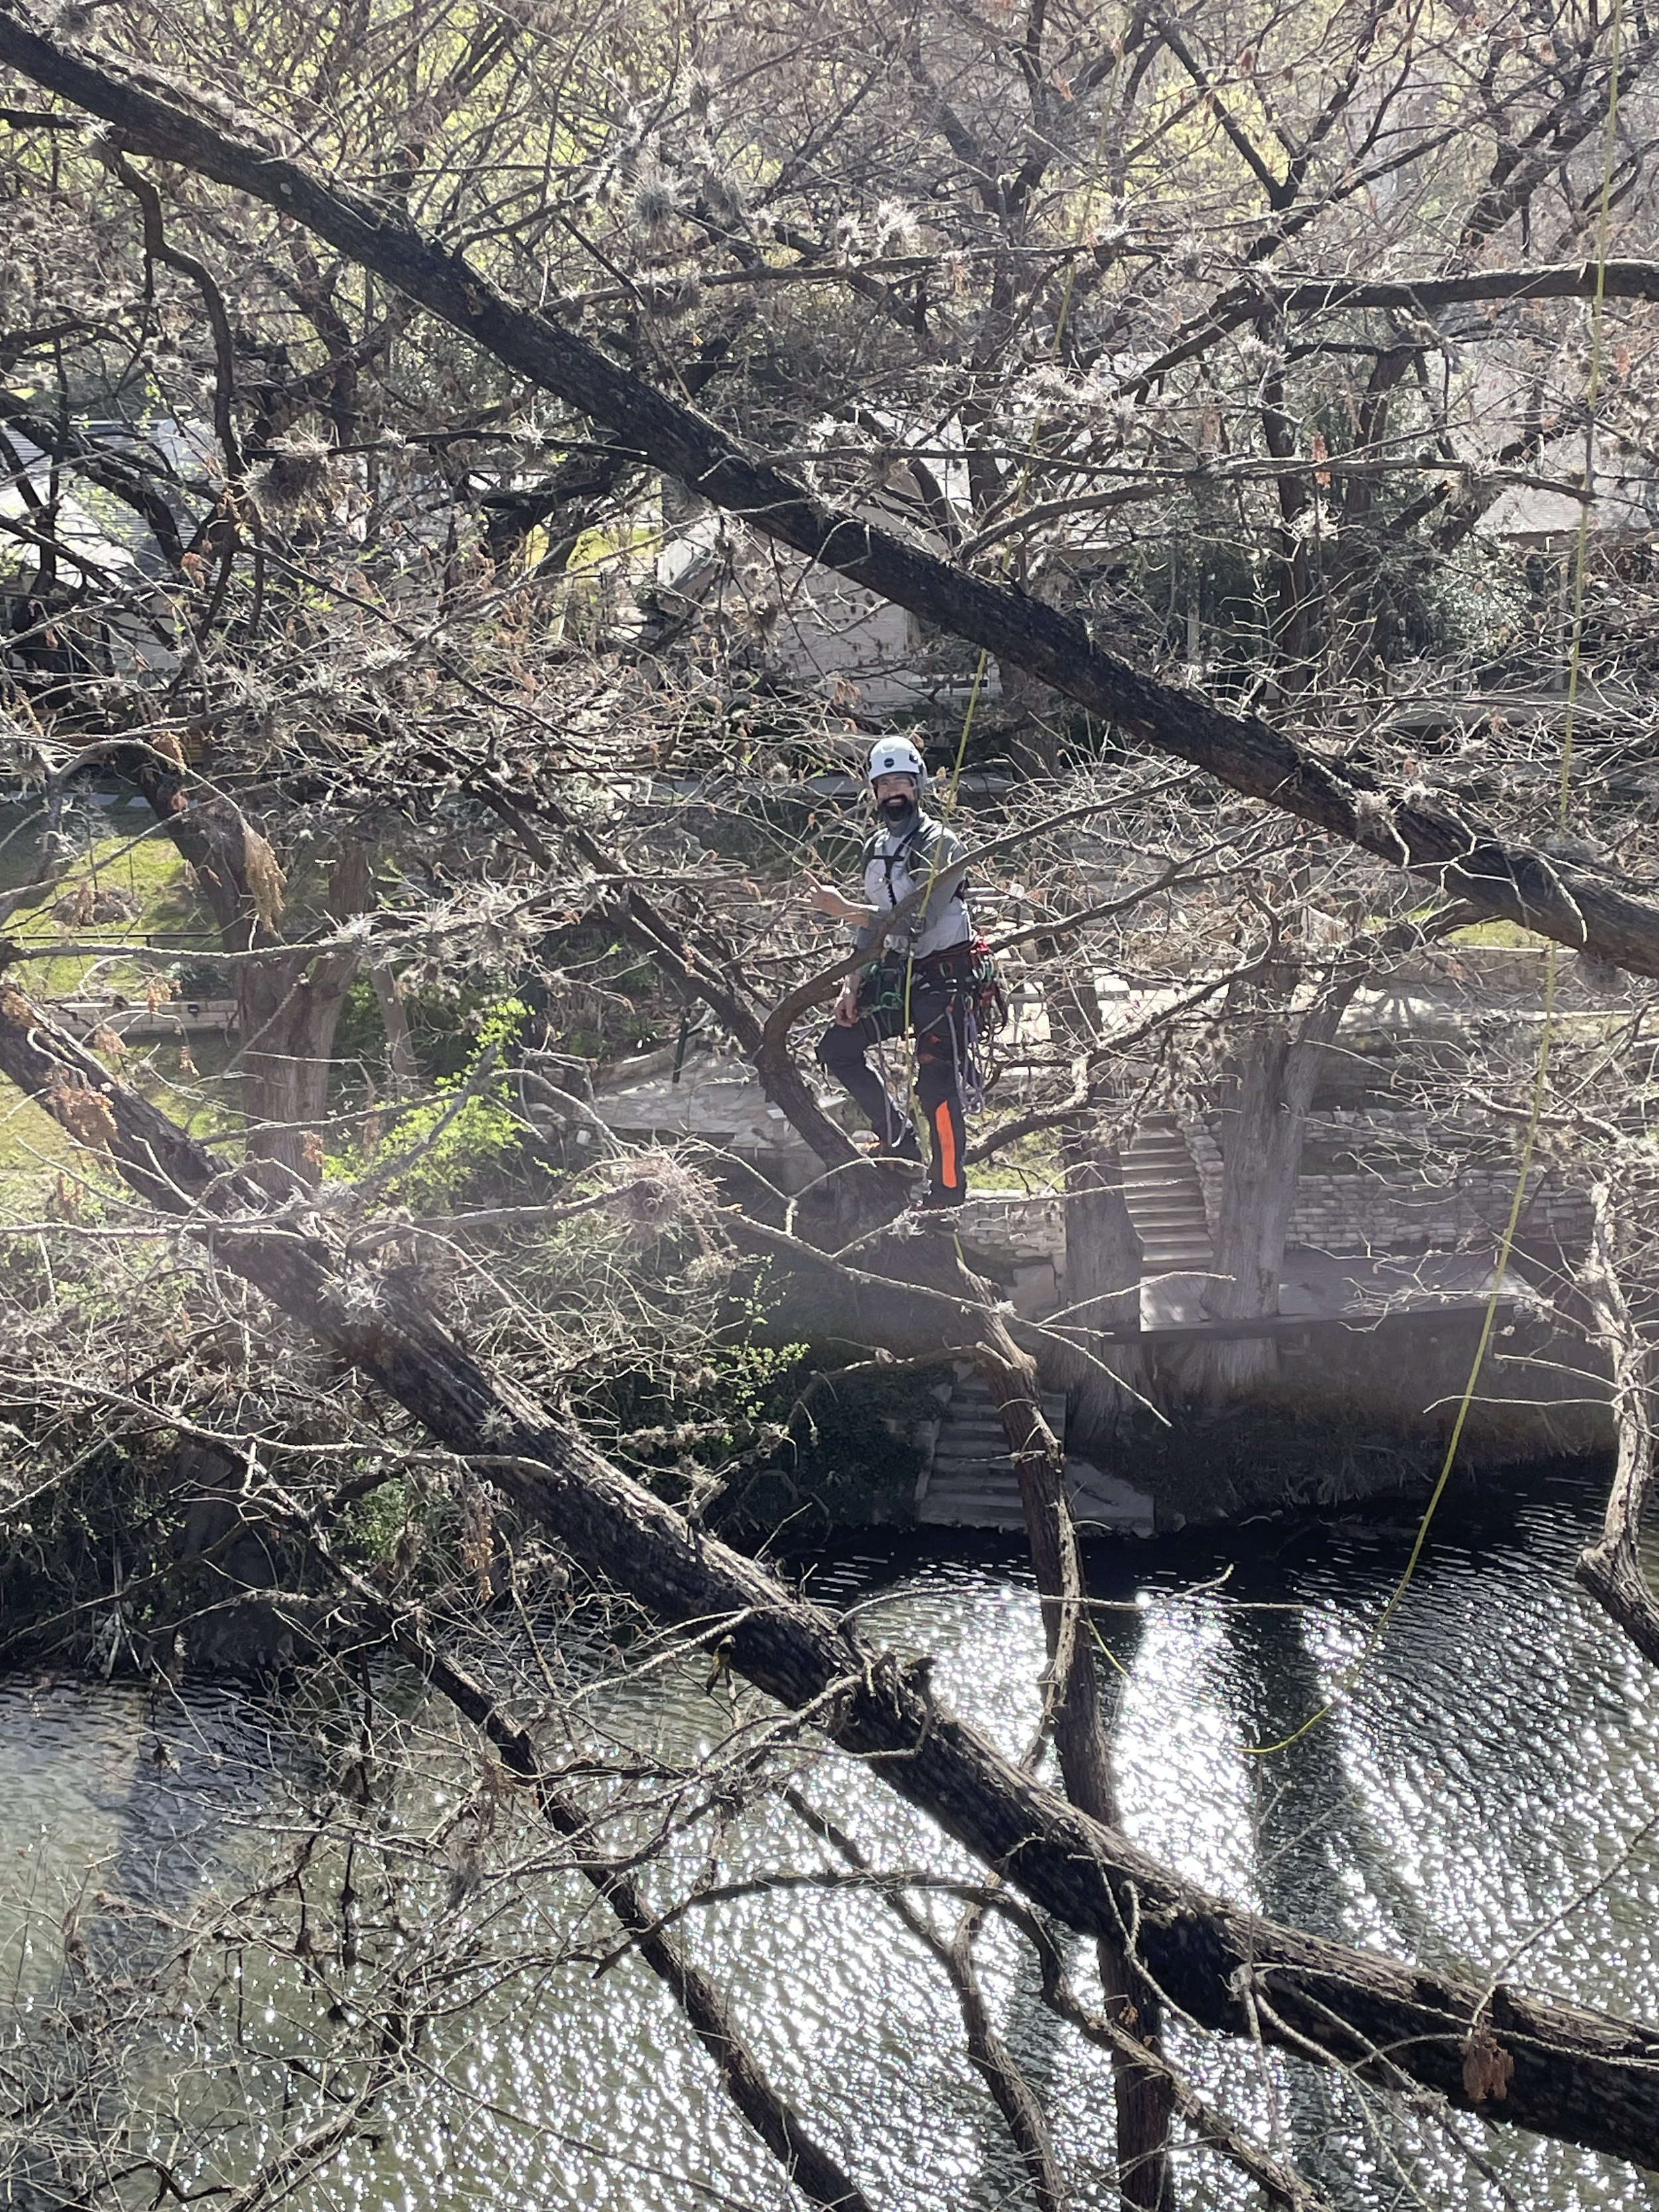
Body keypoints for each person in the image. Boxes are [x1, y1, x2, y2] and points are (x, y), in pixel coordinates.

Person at [809, 737, 980, 1209]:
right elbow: (874, 927)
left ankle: (948, 1191)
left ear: (919, 785)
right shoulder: (876, 847)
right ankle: (899, 1141)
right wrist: (852, 982)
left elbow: (914, 920)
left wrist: (845, 911)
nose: (893, 793)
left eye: (901, 782)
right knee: (838, 1048)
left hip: (943, 978)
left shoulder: (942, 844)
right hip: (896, 974)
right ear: (874, 792)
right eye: (884, 784)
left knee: (936, 1085)